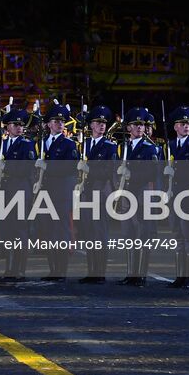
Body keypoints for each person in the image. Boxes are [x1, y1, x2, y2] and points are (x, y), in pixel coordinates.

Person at [117, 107, 161, 286]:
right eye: (136, 125)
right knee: (129, 235)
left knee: (143, 235)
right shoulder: (123, 147)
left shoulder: (149, 149)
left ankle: (141, 274)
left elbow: (152, 173)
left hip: (141, 196)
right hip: (127, 196)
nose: (140, 128)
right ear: (128, 128)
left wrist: (131, 175)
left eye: (142, 125)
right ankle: (131, 273)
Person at [164, 105, 189, 288]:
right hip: (174, 195)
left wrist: (175, 172)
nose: (186, 126)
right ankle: (180, 275)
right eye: (182, 123)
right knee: (178, 236)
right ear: (175, 127)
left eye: (188, 123)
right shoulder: (169, 146)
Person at [37, 104, 79, 281]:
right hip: (45, 193)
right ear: (48, 124)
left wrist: (48, 168)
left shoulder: (69, 144)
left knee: (60, 231)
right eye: (56, 121)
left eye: (62, 121)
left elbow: (70, 168)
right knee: (47, 230)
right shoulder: (41, 143)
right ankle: (52, 267)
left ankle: (61, 269)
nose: (60, 124)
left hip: (61, 193)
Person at [77, 105, 118, 283]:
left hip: (100, 193)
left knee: (100, 233)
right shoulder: (84, 145)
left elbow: (110, 171)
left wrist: (90, 169)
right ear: (91, 125)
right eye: (98, 122)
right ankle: (91, 270)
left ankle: (99, 272)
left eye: (104, 123)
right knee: (88, 233)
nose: (102, 125)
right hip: (86, 193)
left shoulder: (109, 146)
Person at [0, 107, 36, 280]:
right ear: (7, 127)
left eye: (21, 125)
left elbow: (27, 168)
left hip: (20, 189)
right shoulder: (2, 144)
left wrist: (6, 167)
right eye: (15, 124)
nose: (19, 127)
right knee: (8, 229)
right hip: (5, 190)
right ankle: (9, 267)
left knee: (19, 230)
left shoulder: (26, 144)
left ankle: (19, 269)